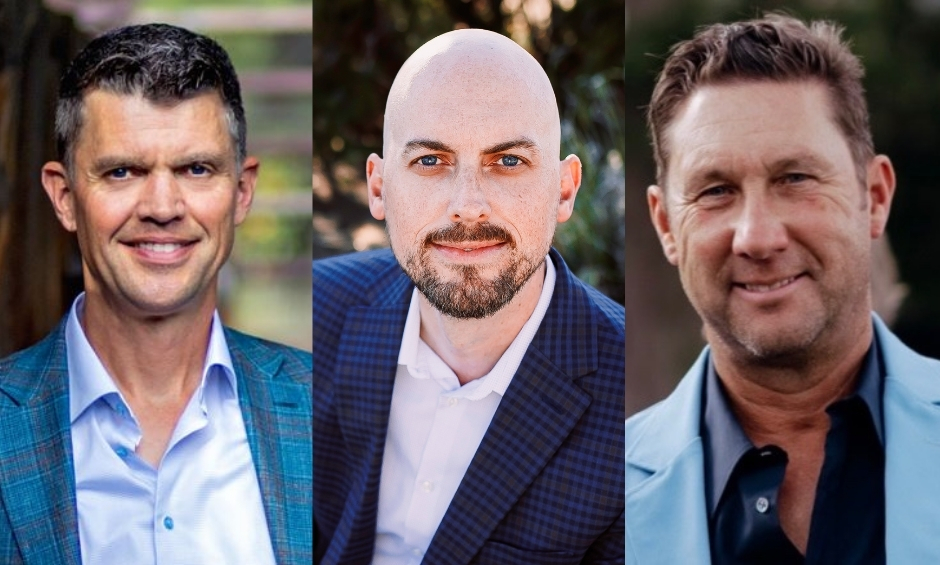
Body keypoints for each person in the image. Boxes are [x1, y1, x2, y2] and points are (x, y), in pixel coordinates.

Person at [625, 13, 940, 564]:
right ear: (667, 227)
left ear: (877, 196)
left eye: (795, 179)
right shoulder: (596, 492)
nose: (757, 238)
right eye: (716, 190)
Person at [0, 24, 311, 564]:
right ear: (65, 197)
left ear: (241, 193)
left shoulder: (327, 409)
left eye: (196, 169)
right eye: (123, 171)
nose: (163, 207)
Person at [313, 29, 625, 564]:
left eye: (507, 162)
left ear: (564, 189)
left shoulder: (631, 398)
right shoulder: (317, 314)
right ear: (380, 187)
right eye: (431, 161)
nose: (468, 206)